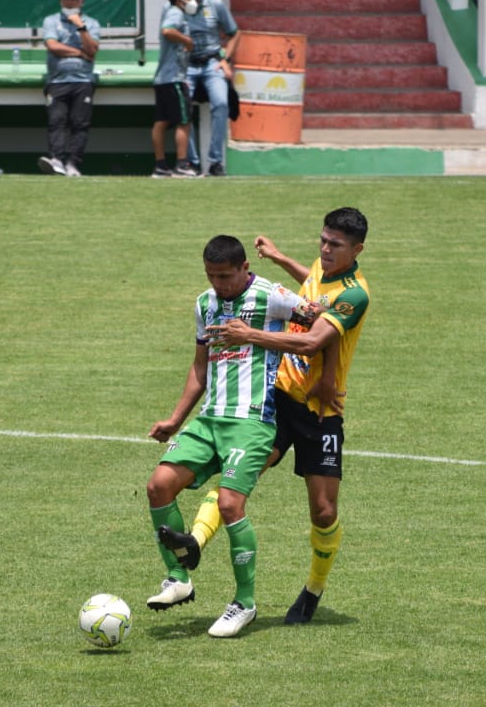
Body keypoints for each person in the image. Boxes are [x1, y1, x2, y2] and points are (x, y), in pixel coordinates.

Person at [159, 208, 371, 625]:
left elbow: (312, 341)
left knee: (324, 512)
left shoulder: (355, 293)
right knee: (238, 477)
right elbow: (310, 286)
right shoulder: (321, 269)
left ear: (357, 250)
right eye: (323, 241)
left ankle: (313, 588)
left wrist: (251, 335)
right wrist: (278, 258)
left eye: (336, 245)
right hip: (278, 400)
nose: (325, 250)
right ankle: (195, 543)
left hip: (321, 411)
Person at [144, 234, 317, 637]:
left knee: (229, 503)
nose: (219, 284)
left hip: (253, 421)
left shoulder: (271, 296)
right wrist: (175, 419)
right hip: (209, 420)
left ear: (244, 268)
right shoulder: (205, 304)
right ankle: (178, 578)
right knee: (158, 486)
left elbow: (322, 321)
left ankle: (244, 603)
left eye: (225, 275)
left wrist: (306, 367)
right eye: (211, 275)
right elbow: (199, 367)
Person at [180, 0, 240, 177]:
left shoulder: (215, 4)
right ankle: (191, 162)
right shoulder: (176, 8)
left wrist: (226, 59)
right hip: (186, 64)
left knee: (221, 103)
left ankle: (215, 161)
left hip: (211, 62)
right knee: (182, 109)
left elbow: (234, 33)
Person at [37, 0, 100, 177]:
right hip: (57, 81)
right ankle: (57, 160)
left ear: (81, 0)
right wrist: (79, 54)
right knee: (57, 121)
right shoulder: (51, 21)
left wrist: (80, 27)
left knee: (79, 123)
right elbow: (53, 46)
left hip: (83, 80)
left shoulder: (91, 23)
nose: (70, 1)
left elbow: (92, 50)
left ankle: (73, 164)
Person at [150, 0, 199, 178]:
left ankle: (160, 166)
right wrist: (187, 40)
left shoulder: (174, 11)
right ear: (180, 0)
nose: (193, 1)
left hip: (163, 78)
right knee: (184, 121)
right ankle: (181, 165)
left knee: (161, 121)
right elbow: (167, 31)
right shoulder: (176, 13)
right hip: (174, 78)